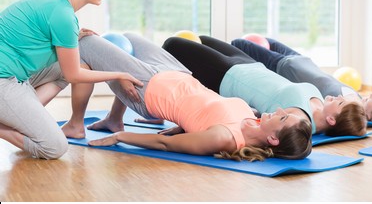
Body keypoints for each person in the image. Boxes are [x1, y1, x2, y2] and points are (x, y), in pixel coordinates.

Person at [63, 33, 312, 161]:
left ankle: (76, 124)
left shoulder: (224, 138)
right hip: (177, 73)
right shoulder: (253, 119)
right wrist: (184, 127)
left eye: (282, 118)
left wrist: (122, 137)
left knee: (84, 44)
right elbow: (207, 109)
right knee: (128, 36)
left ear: (273, 139)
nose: (280, 110)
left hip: (147, 90)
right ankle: (113, 118)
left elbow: (165, 144)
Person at [0, 0, 143, 159]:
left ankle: (31, 118)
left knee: (80, 62)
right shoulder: (64, 17)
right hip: (4, 79)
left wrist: (72, 38)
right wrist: (120, 74)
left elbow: (36, 39)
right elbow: (74, 75)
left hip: (15, 73)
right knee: (54, 147)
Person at [162, 35, 367, 137]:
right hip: (250, 65)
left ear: (331, 120)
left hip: (227, 75)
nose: (339, 98)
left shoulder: (296, 119)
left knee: (172, 44)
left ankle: (154, 97)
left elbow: (249, 122)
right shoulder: (321, 103)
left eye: (340, 104)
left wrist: (187, 125)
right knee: (203, 39)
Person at [231, 37, 372, 127]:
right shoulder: (356, 98)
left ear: (368, 115)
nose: (371, 94)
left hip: (285, 66)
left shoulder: (341, 107)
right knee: (267, 40)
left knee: (239, 44)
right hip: (300, 60)